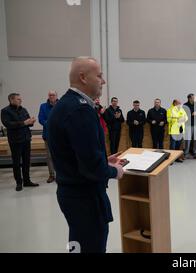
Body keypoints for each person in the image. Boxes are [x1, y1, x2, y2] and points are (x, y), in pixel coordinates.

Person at [47, 57, 125, 253]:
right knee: (90, 246)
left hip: (71, 192)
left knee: (77, 244)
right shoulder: (80, 110)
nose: (103, 81)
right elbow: (91, 167)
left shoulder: (66, 104)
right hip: (85, 197)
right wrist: (115, 172)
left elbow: (75, 154)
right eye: (99, 76)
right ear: (83, 77)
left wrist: (102, 160)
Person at [1, 93, 38, 191]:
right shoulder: (5, 111)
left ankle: (27, 181)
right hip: (15, 141)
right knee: (16, 162)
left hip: (26, 139)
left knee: (26, 161)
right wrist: (24, 123)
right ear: (11, 100)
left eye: (20, 99)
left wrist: (31, 121)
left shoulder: (23, 109)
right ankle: (19, 182)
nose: (20, 101)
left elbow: (28, 123)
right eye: (18, 99)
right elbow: (8, 124)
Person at [38, 90, 58, 183]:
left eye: (53, 95)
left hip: (60, 136)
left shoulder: (61, 104)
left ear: (56, 96)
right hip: (48, 135)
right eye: (50, 95)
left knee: (61, 155)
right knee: (49, 156)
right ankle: (52, 175)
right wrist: (50, 123)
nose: (51, 96)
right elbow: (41, 119)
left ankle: (60, 174)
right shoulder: (43, 106)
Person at [183, 94, 196, 160]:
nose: (194, 99)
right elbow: (183, 115)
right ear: (189, 98)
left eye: (194, 98)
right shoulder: (185, 105)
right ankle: (186, 154)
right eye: (192, 98)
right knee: (188, 140)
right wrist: (191, 114)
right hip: (188, 125)